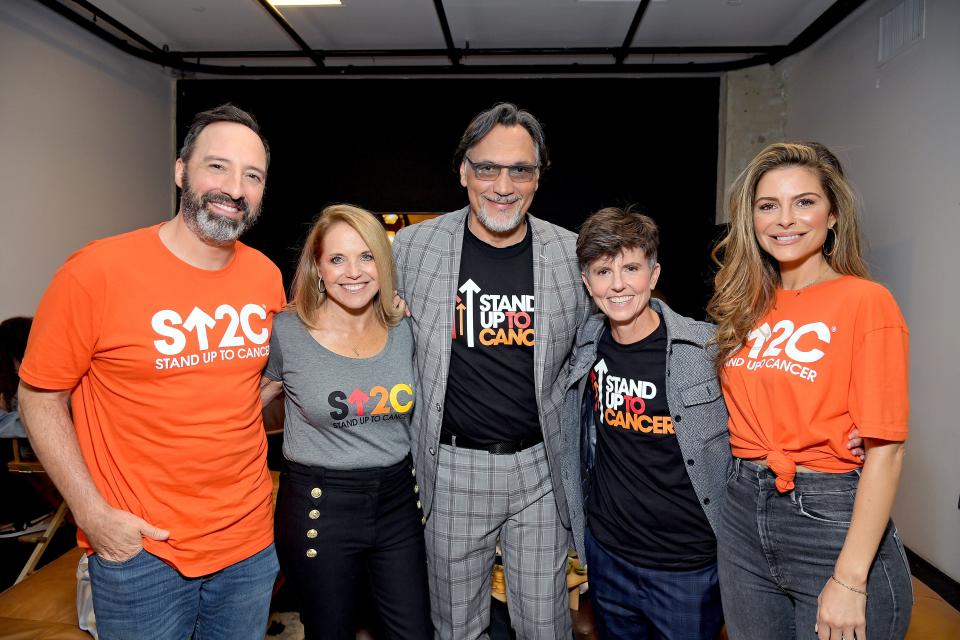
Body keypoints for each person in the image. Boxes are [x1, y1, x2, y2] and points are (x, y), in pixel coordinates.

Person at [18, 104, 284, 639]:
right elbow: (38, 397)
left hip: (249, 545)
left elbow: (253, 386)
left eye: (251, 175)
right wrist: (92, 515)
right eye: (218, 167)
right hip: (142, 549)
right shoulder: (96, 272)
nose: (234, 188)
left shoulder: (265, 276)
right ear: (181, 170)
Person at [392, 102, 592, 639]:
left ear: (538, 177)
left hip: (540, 470)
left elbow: (617, 318)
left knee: (545, 625)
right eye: (487, 168)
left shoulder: (570, 253)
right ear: (464, 172)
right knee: (456, 627)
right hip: (452, 469)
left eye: (520, 170)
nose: (503, 185)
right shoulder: (414, 248)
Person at [708, 142, 912, 639]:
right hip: (740, 512)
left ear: (833, 214)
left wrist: (849, 577)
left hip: (827, 516)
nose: (785, 220)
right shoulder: (744, 305)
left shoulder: (866, 301)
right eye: (768, 205)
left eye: (804, 202)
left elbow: (886, 452)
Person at [260, 204, 431, 639]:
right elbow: (240, 410)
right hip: (320, 505)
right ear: (317, 267)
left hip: (397, 502)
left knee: (413, 632)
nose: (353, 272)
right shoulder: (286, 333)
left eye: (366, 256)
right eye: (337, 258)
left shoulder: (404, 327)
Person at [562, 207, 729, 639]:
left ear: (653, 275)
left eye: (631, 268)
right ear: (587, 282)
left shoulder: (705, 351)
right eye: (603, 271)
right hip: (608, 556)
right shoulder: (584, 347)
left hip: (687, 568)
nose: (617, 284)